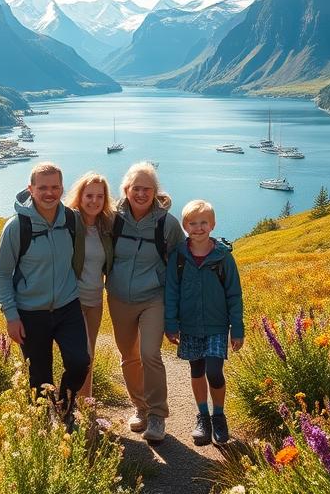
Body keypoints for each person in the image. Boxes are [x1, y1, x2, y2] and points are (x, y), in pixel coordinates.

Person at [0, 162, 90, 417]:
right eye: (43, 187)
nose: (50, 193)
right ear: (30, 189)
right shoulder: (17, 227)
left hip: (68, 307)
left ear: (62, 188)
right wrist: (11, 316)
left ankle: (65, 408)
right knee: (39, 379)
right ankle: (45, 426)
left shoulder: (71, 219)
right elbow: (1, 274)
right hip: (30, 312)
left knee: (80, 363)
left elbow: (77, 259)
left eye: (55, 187)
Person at [106, 161, 184, 443]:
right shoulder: (112, 219)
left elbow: (180, 264)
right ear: (126, 189)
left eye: (147, 189)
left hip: (154, 297)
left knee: (150, 353)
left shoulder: (167, 224)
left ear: (155, 192)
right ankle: (140, 407)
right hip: (118, 297)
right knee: (129, 356)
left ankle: (157, 416)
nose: (141, 194)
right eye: (136, 188)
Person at [165, 199, 244, 445]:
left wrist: (237, 329)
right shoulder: (179, 256)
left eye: (203, 223)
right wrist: (170, 323)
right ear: (185, 225)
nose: (198, 228)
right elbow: (171, 292)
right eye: (192, 223)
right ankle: (203, 416)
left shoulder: (223, 258)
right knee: (196, 370)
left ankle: (219, 416)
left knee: (214, 371)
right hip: (189, 326)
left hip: (217, 327)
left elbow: (234, 294)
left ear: (213, 224)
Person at [64, 172, 115, 399]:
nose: (94, 201)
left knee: (89, 354)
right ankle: (70, 405)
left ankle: (86, 406)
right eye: (89, 195)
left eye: (100, 196)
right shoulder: (69, 221)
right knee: (81, 355)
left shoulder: (106, 226)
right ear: (80, 196)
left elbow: (133, 205)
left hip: (96, 301)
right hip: (73, 299)